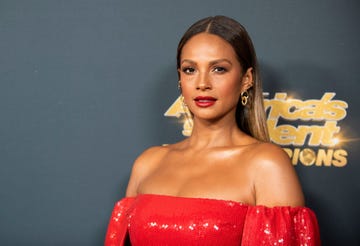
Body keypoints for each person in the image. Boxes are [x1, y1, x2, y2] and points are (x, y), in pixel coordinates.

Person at [105, 15, 320, 246]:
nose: (202, 83)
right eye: (190, 70)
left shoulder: (266, 165)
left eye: (218, 69)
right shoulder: (148, 163)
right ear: (180, 78)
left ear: (246, 79)